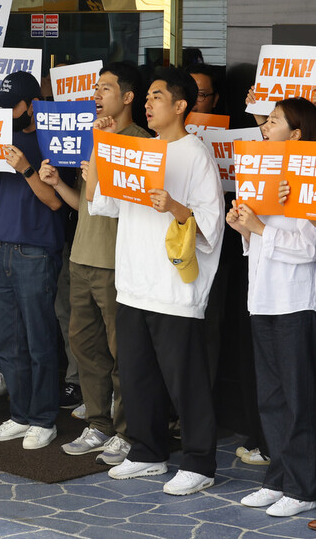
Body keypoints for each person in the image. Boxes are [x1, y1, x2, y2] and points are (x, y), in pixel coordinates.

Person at [86, 66, 224, 496]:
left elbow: (211, 223)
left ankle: (200, 461)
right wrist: (101, 141)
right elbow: (99, 200)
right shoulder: (137, 148)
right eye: (145, 96)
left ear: (181, 105)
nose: (147, 102)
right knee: (137, 375)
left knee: (185, 379)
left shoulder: (195, 153)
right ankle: (148, 452)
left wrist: (174, 205)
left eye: (157, 96)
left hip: (174, 289)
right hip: (132, 281)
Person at [39, 62, 149, 466]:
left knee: (122, 353)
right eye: (96, 88)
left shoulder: (139, 140)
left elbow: (126, 206)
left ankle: (126, 432)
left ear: (128, 96)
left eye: (106, 88)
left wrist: (104, 145)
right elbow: (87, 205)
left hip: (117, 263)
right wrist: (58, 186)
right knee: (85, 349)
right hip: (81, 257)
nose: (98, 94)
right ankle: (98, 424)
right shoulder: (94, 137)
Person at [230, 97, 316, 518]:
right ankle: (280, 479)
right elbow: (257, 245)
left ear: (297, 134)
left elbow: (310, 247)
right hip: (262, 299)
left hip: (297, 302)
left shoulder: (310, 179)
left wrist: (260, 227)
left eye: (274, 121)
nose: (265, 126)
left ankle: (303, 488)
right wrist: (244, 230)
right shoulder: (258, 174)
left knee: (298, 400)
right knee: (272, 398)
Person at [0, 71, 67, 451]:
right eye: (1, 106)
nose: (5, 112)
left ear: (31, 105)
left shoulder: (51, 141)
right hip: (5, 248)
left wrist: (27, 168)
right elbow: (3, 192)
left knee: (39, 341)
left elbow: (53, 201)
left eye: (11, 105)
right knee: (10, 343)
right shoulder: (7, 137)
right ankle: (20, 415)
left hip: (36, 250)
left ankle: (44, 420)